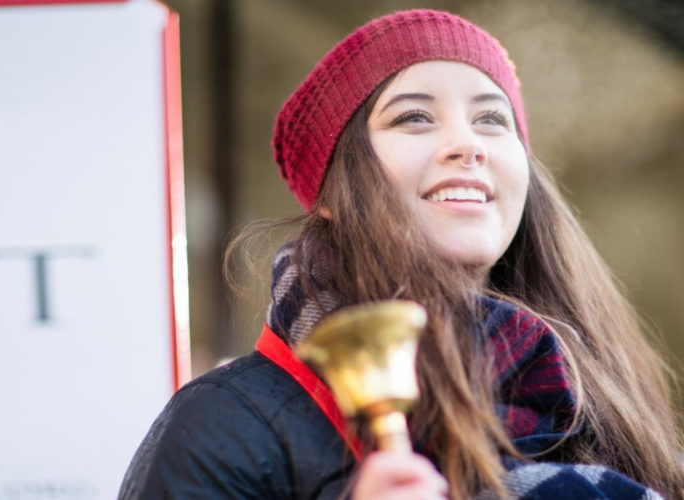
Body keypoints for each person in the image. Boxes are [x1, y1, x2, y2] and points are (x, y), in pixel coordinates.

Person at [119, 9, 684, 500]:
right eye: (414, 117)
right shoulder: (225, 421)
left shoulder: (608, 402)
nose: (468, 144)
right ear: (333, 195)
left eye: (492, 119)